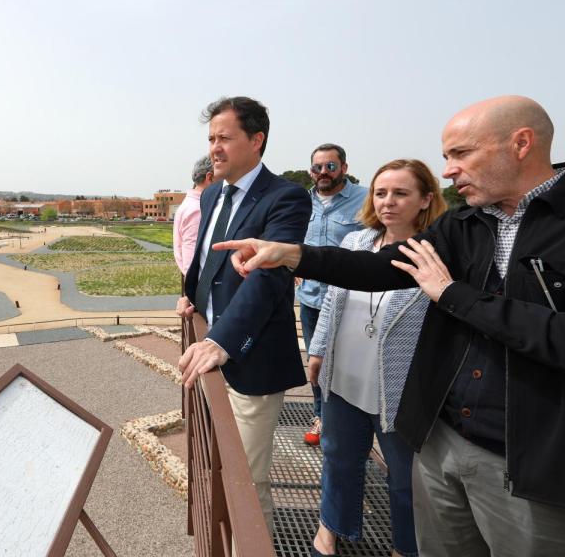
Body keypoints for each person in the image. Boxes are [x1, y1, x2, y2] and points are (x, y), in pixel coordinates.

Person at [213, 95, 565, 556]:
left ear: (521, 144)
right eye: (445, 157)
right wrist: (291, 254)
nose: (448, 171)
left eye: (460, 154)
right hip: (443, 448)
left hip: (539, 471)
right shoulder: (466, 222)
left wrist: (452, 293)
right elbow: (380, 268)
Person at [177, 96, 310, 533]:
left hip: (248, 358)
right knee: (217, 467)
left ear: (257, 140)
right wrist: (189, 297)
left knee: (247, 485)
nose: (215, 147)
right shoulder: (213, 191)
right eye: (211, 138)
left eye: (225, 138)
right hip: (212, 347)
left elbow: (269, 281)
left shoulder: (286, 198)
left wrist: (221, 341)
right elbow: (204, 258)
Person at [308, 159, 446, 557]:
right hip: (344, 372)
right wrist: (318, 349)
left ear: (425, 199)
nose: (388, 202)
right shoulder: (356, 242)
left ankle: (405, 547)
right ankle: (330, 530)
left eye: (401, 193)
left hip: (399, 384)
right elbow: (333, 299)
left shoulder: (434, 254)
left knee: (406, 476)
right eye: (380, 192)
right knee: (338, 458)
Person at [296, 143, 367, 445]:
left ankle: (352, 423)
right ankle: (321, 417)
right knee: (317, 363)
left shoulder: (365, 199)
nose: (323, 173)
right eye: (317, 167)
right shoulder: (302, 201)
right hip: (312, 300)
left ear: (344, 168)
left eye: (330, 166)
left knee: (352, 363)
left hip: (352, 300)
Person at [172, 156, 215, 276]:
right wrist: (194, 288)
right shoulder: (197, 209)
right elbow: (191, 254)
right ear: (210, 177)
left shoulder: (192, 204)